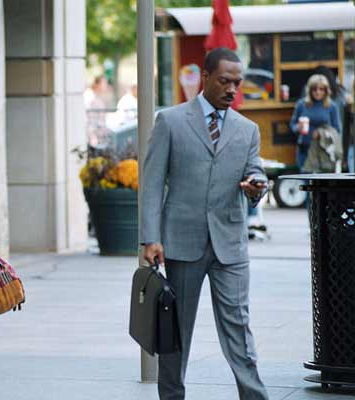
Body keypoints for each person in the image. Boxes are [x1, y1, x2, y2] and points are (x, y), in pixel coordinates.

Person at [141, 47, 269, 400]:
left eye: (237, 83)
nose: (232, 89)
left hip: (230, 243)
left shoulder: (248, 130)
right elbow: (152, 182)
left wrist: (256, 185)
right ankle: (172, 396)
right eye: (225, 81)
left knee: (238, 329)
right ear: (207, 77)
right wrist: (150, 238)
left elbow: (254, 172)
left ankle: (255, 396)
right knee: (177, 330)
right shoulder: (171, 120)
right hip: (182, 241)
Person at [291, 74, 340, 172]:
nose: (318, 92)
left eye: (321, 89)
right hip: (305, 148)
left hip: (324, 151)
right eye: (315, 89)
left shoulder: (331, 106)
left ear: (326, 90)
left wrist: (321, 134)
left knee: (322, 183)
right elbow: (292, 125)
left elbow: (337, 130)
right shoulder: (301, 104)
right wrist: (298, 128)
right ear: (310, 90)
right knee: (305, 181)